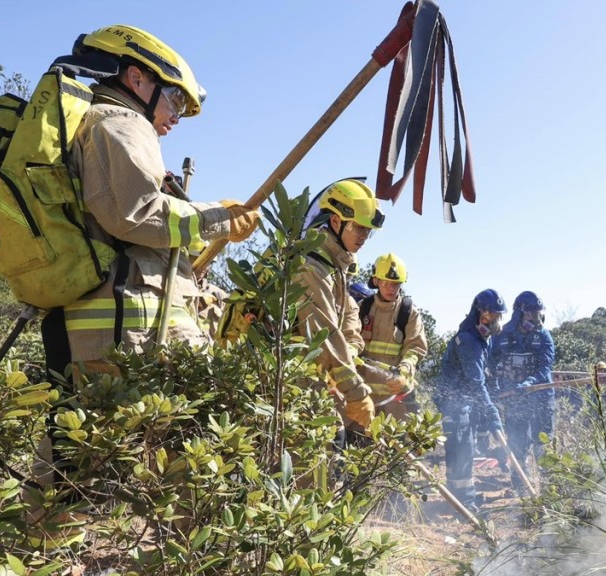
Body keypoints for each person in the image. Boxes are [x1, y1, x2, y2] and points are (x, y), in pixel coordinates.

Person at [35, 23, 260, 548]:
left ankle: (34, 552)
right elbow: (135, 215)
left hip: (107, 336)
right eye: (174, 99)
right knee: (99, 474)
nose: (176, 116)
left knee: (71, 474)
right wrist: (217, 218)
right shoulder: (118, 120)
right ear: (136, 78)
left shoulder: (105, 126)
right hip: (118, 343)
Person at [296, 178, 385, 442]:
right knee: (315, 456)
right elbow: (325, 336)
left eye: (368, 231)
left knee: (331, 446)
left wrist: (353, 351)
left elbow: (347, 320)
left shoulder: (335, 268)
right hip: (294, 385)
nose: (363, 237)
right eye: (358, 227)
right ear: (335, 222)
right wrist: (357, 393)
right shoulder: (312, 269)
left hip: (317, 384)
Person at [433, 289, 507, 514]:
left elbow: (485, 374)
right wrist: (493, 414)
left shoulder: (483, 339)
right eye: (491, 315)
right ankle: (464, 504)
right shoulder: (468, 341)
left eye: (497, 315)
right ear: (479, 313)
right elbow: (476, 382)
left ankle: (461, 499)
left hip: (464, 401)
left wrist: (490, 400)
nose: (495, 320)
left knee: (465, 448)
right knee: (461, 450)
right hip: (452, 402)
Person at [489, 291, 555, 493]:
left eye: (538, 314)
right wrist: (495, 385)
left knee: (542, 443)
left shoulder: (543, 336)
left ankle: (547, 489)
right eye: (531, 314)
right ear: (519, 313)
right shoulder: (501, 336)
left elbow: (545, 367)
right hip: (514, 400)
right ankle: (522, 490)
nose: (535, 319)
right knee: (518, 444)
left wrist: (529, 382)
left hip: (541, 397)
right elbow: (490, 363)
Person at [357, 253, 428, 420]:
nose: (391, 289)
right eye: (385, 283)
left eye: (396, 284)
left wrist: (405, 370)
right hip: (365, 398)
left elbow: (415, 348)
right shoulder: (362, 309)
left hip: (396, 399)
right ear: (376, 281)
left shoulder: (408, 312)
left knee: (399, 443)